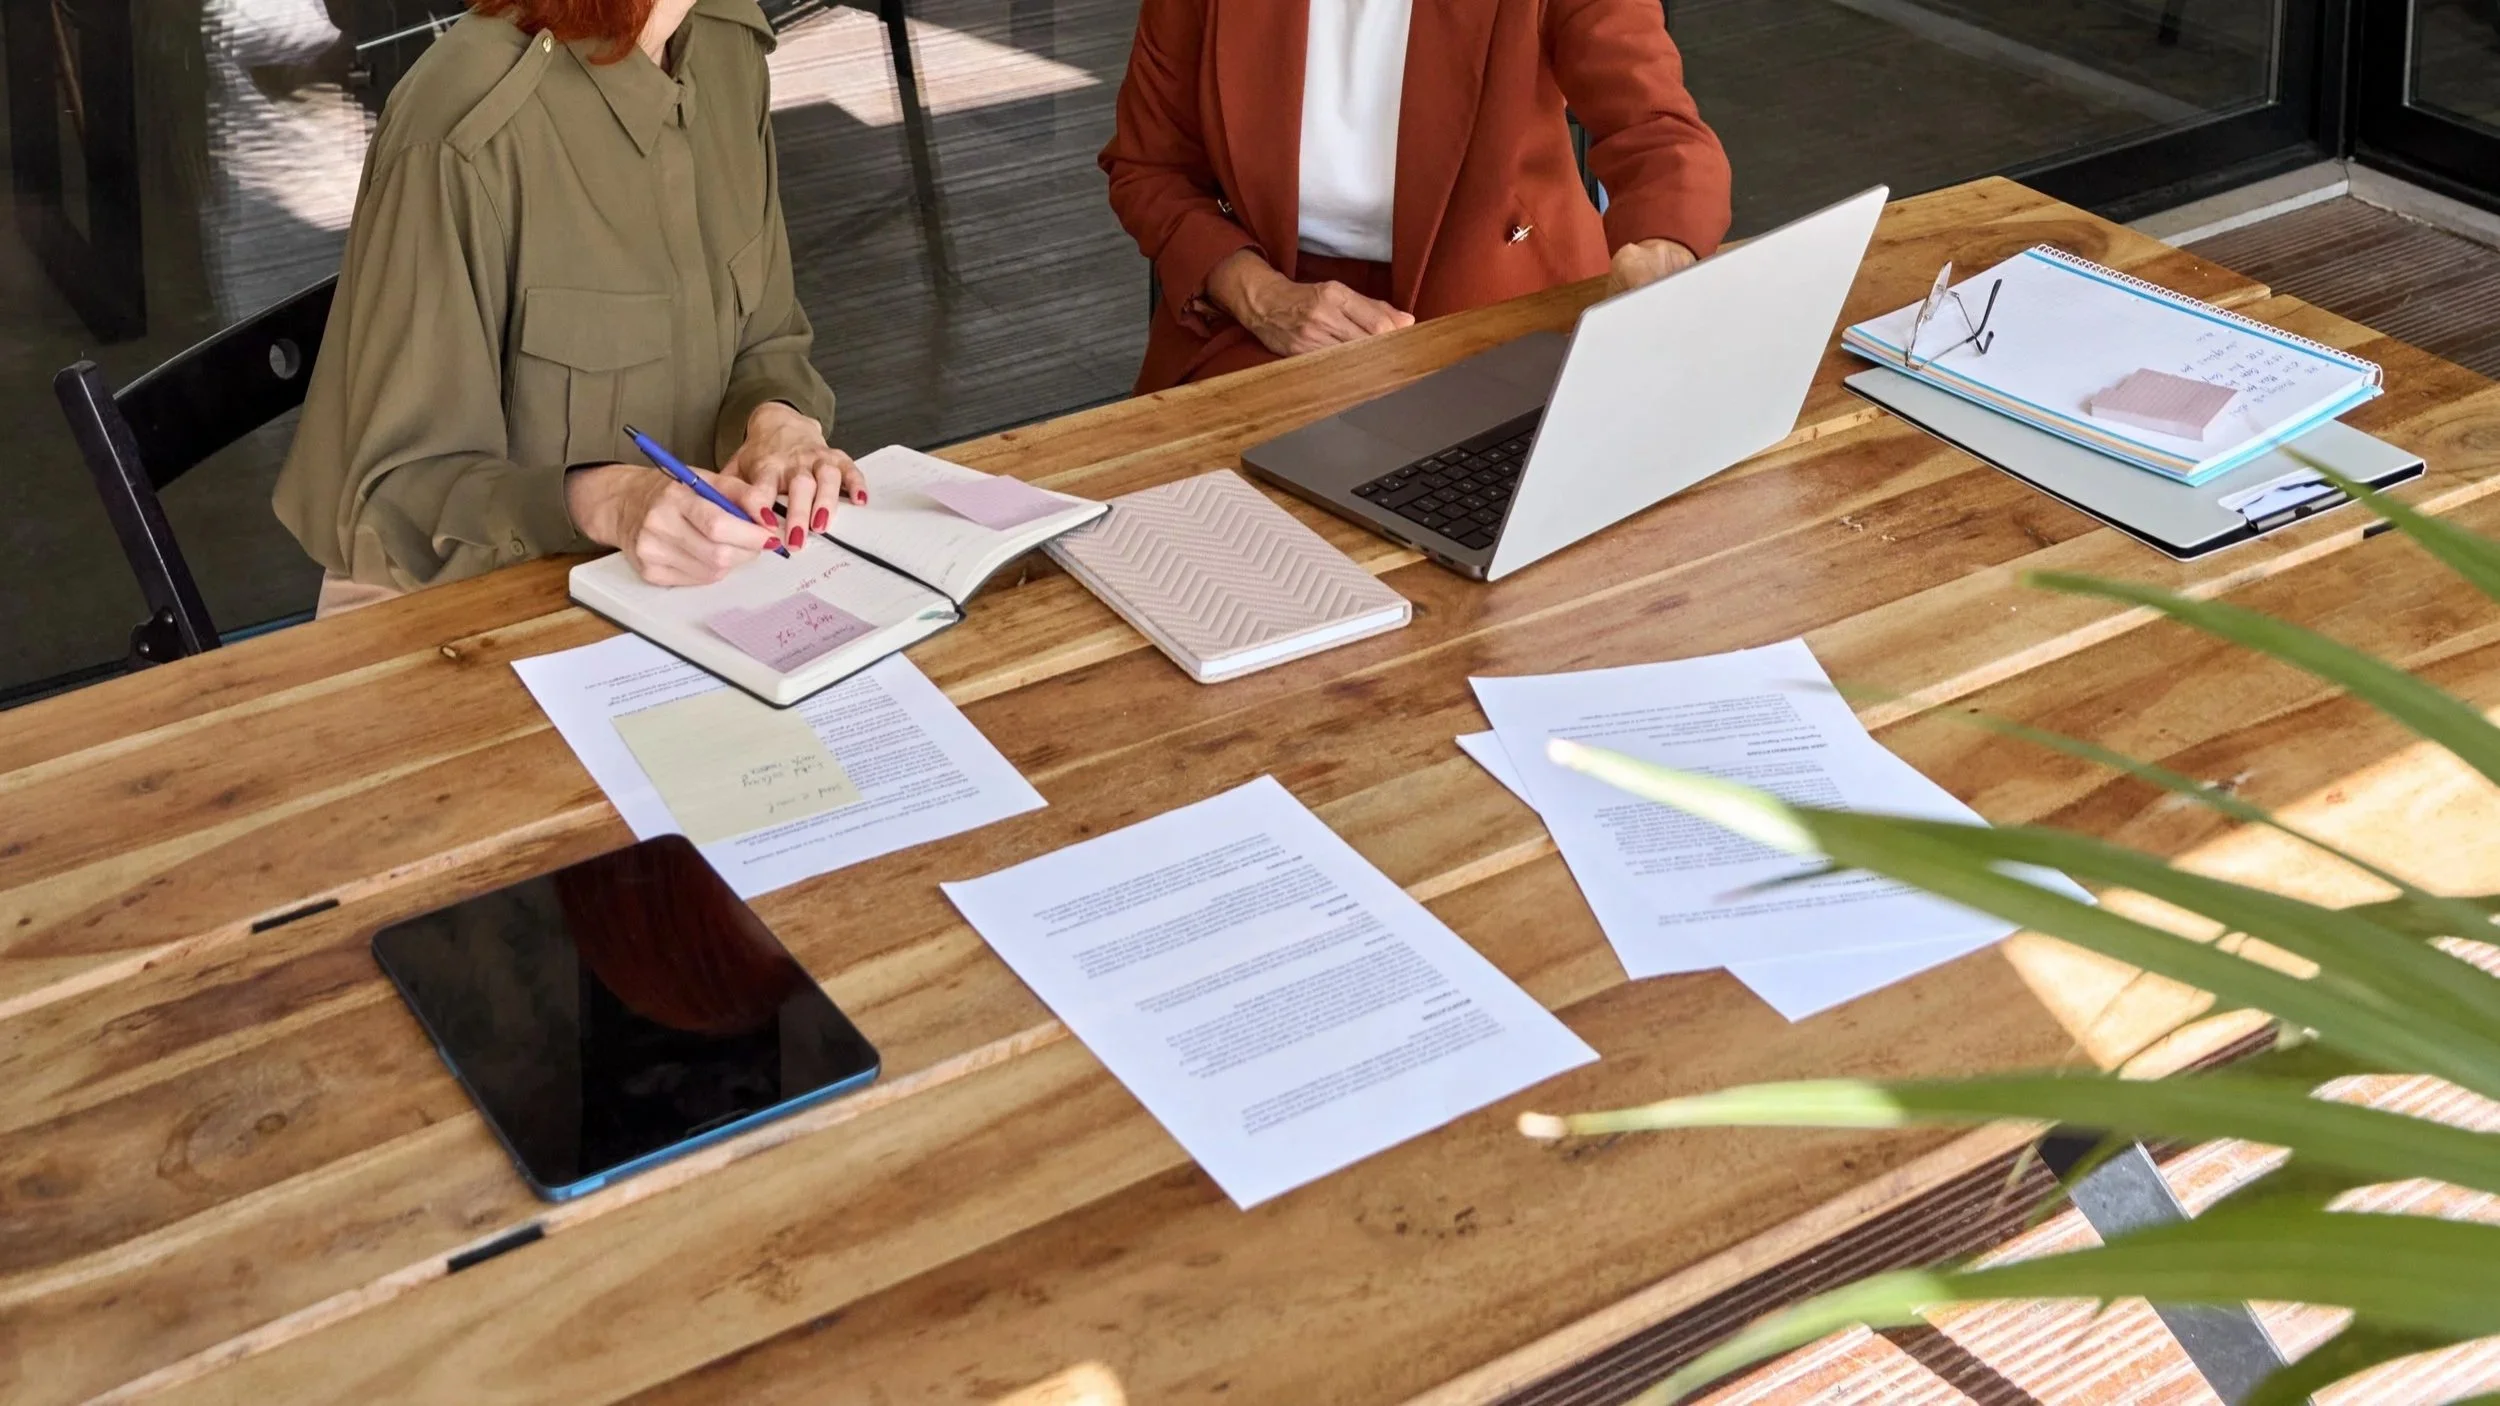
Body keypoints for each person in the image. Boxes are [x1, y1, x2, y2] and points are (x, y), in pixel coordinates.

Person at [275, 0, 863, 614]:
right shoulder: (461, 127)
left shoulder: (724, 47)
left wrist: (775, 422)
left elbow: (765, 336)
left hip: (677, 594)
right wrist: (611, 503)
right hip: (447, 607)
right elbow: (395, 501)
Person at [1099, 0, 1733, 395]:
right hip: (1270, 317)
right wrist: (1261, 298)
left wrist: (1663, 246)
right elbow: (1150, 167)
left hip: (1499, 304)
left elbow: (1653, 126)